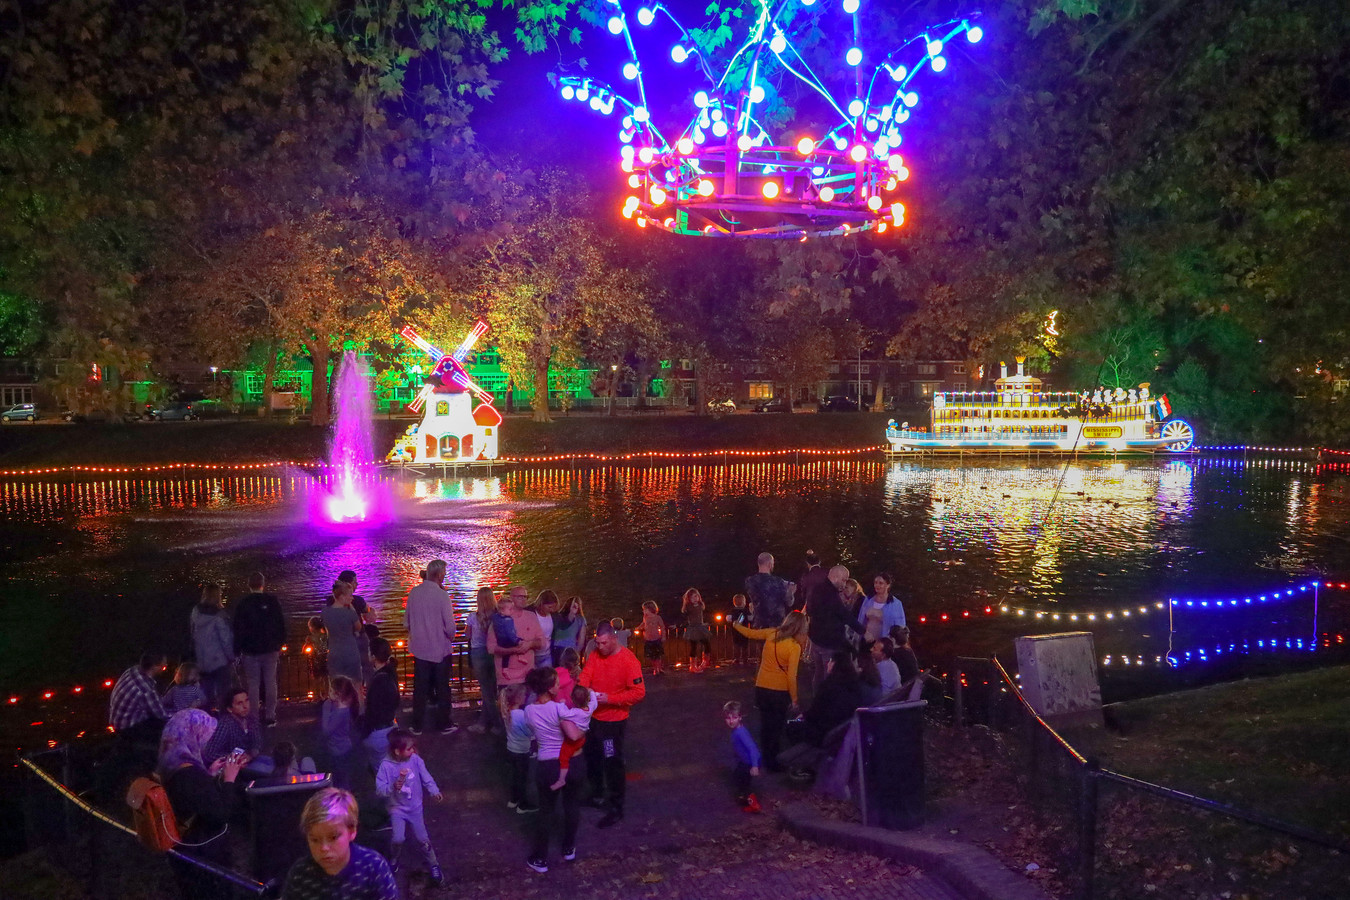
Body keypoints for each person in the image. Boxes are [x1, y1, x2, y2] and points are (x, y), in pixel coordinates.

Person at [577, 621, 646, 828]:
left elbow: (638, 692)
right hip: (594, 719)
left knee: (612, 761)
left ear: (614, 639)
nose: (599, 647)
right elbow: (586, 675)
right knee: (592, 757)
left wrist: (608, 699)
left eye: (603, 643)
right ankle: (597, 793)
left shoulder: (628, 661)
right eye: (597, 643)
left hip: (613, 722)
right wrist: (583, 689)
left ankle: (616, 806)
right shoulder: (596, 656)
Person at [523, 666, 586, 873]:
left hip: (547, 765)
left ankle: (540, 858)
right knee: (572, 806)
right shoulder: (559, 709)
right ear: (550, 688)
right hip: (572, 762)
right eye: (557, 683)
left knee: (546, 811)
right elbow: (574, 735)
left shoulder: (529, 710)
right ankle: (569, 848)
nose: (560, 685)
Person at [159, 709, 241, 868]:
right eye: (205, 738)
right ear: (193, 736)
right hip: (203, 855)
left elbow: (197, 799)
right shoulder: (190, 775)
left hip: (188, 851)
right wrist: (229, 779)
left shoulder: (173, 764)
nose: (207, 746)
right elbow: (221, 814)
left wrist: (208, 775)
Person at [283, 788, 397, 900]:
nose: (324, 848)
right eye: (315, 840)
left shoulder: (373, 867)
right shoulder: (300, 875)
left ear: (352, 831)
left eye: (333, 838)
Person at [732, 610, 808, 773]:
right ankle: (773, 762)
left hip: (762, 687)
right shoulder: (794, 647)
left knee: (766, 725)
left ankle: (765, 757)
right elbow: (791, 677)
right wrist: (794, 699)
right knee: (776, 728)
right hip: (779, 692)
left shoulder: (771, 633)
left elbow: (750, 633)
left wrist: (736, 625)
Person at [375, 729, 445, 885]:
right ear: (397, 751)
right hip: (397, 809)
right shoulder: (386, 766)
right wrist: (392, 787)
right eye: (409, 748)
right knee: (398, 838)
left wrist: (434, 790)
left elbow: (426, 776)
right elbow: (380, 789)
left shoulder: (415, 760)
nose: (412, 750)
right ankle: (395, 858)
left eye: (413, 747)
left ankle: (433, 863)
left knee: (423, 839)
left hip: (415, 808)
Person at [404, 560, 459, 735]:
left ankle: (417, 724)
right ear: (439, 574)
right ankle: (444, 723)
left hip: (420, 649)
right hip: (440, 648)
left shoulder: (414, 593)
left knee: (420, 688)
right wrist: (450, 637)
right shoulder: (442, 596)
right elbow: (450, 626)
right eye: (444, 573)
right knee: (443, 687)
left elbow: (406, 622)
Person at [232, 572, 286, 728]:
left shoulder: (243, 604)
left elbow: (238, 629)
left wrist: (238, 649)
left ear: (249, 585)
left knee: (253, 684)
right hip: (270, 648)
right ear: (263, 583)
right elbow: (280, 624)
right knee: (270, 681)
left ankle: (253, 717)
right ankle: (270, 716)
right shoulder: (272, 601)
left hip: (250, 650)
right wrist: (280, 643)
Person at [805, 565, 863, 690]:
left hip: (816, 638)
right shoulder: (830, 594)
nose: (845, 583)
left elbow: (809, 610)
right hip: (828, 642)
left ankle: (817, 700)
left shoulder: (817, 589)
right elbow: (844, 614)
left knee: (818, 674)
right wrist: (863, 630)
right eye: (844, 579)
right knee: (829, 676)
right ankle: (827, 704)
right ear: (835, 576)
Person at [489, 583, 547, 697]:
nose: (523, 599)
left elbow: (542, 642)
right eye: (520, 596)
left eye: (525, 596)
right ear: (511, 598)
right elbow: (491, 648)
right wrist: (514, 650)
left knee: (528, 711)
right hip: (507, 678)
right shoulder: (499, 620)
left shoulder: (531, 616)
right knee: (508, 711)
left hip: (529, 676)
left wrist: (530, 644)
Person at [190, 582, 234, 711]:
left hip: (201, 659)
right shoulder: (219, 615)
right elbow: (225, 639)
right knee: (224, 693)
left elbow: (192, 633)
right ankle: (224, 721)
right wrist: (231, 656)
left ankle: (206, 722)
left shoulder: (195, 612)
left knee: (205, 693)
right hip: (219, 660)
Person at [204, 687, 269, 774]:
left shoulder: (251, 719)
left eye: (247, 701)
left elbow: (257, 742)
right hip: (232, 768)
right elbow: (210, 753)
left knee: (276, 763)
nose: (245, 706)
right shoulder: (226, 724)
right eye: (239, 703)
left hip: (249, 760)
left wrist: (250, 755)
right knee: (267, 771)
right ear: (230, 709)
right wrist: (235, 758)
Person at [109, 652, 170, 743]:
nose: (165, 666)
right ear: (155, 667)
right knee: (165, 727)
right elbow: (162, 715)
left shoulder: (132, 670)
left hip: (116, 719)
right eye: (163, 666)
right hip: (127, 727)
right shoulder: (146, 689)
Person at [466, 586, 499, 734]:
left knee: (486, 691)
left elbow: (467, 635)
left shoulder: (473, 617)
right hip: (494, 653)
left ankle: (496, 724)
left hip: (478, 653)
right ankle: (484, 722)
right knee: (490, 690)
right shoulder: (498, 617)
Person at [362, 638, 400, 769]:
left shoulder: (378, 680)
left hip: (379, 732)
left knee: (380, 770)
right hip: (390, 726)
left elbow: (373, 710)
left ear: (373, 657)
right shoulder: (391, 673)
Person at [552, 683, 597, 791]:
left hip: (573, 741)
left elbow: (563, 714)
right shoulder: (590, 708)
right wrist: (591, 692)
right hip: (582, 738)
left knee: (564, 757)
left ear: (572, 700)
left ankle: (561, 779)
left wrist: (561, 704)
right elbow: (594, 701)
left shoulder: (575, 712)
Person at [499, 684, 537, 814]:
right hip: (522, 751)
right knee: (522, 778)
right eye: (523, 695)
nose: (525, 697)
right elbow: (529, 733)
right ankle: (523, 804)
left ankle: (513, 800)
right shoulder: (521, 714)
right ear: (518, 698)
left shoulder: (506, 711)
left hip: (511, 749)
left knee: (515, 776)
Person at [322, 675, 362, 789]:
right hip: (342, 747)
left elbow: (326, 731)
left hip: (338, 750)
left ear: (338, 694)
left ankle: (344, 801)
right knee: (342, 777)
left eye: (330, 690)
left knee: (341, 780)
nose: (328, 692)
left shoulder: (340, 713)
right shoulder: (343, 708)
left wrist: (325, 709)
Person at [336, 570, 374, 684]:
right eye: (355, 582)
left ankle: (346, 694)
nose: (357, 585)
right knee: (366, 666)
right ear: (349, 584)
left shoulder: (332, 601)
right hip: (358, 637)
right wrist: (370, 610)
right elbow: (370, 617)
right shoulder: (357, 600)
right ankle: (369, 691)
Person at [723, 700, 762, 813]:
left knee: (743, 782)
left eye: (734, 717)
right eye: (728, 718)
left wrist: (754, 766)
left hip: (749, 762)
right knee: (739, 777)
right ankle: (744, 796)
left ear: (740, 717)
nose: (731, 721)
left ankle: (753, 804)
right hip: (745, 761)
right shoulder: (737, 730)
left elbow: (753, 749)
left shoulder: (741, 733)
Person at [323, 580, 364, 686]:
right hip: (350, 652)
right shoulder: (350, 613)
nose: (352, 598)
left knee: (336, 686)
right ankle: (358, 703)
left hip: (334, 652)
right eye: (350, 595)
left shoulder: (325, 612)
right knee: (356, 685)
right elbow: (359, 628)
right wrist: (352, 608)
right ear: (342, 597)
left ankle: (338, 703)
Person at [745, 552, 794, 629]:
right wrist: (790, 591)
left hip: (759, 622)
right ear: (769, 564)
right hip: (776, 623)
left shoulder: (750, 581)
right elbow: (789, 602)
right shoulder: (778, 581)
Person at [854, 572, 906, 644]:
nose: (877, 585)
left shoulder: (896, 604)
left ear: (888, 585)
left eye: (880, 583)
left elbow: (900, 625)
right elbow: (861, 619)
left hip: (884, 643)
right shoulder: (868, 600)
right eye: (875, 583)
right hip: (866, 640)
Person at [681, 588, 712, 673]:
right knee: (693, 646)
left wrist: (706, 622)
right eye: (692, 597)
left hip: (700, 627)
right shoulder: (688, 607)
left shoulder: (701, 605)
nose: (695, 598)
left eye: (696, 596)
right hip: (693, 628)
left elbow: (705, 615)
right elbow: (684, 617)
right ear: (689, 599)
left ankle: (705, 662)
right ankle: (693, 666)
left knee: (707, 643)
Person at [551, 596, 587, 666]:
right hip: (570, 649)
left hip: (556, 649)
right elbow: (581, 641)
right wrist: (576, 653)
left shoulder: (558, 617)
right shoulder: (580, 620)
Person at [530, 590, 560, 669]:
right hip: (531, 654)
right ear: (541, 604)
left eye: (553, 607)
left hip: (547, 654)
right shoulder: (530, 613)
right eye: (549, 607)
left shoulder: (554, 615)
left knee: (547, 678)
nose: (551, 610)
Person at [640, 600, 666, 674]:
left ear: (650, 609)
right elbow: (643, 624)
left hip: (656, 639)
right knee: (652, 656)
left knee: (658, 655)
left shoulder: (657, 618)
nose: (644, 611)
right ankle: (655, 668)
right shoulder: (645, 618)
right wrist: (639, 628)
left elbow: (662, 627)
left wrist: (663, 636)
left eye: (645, 609)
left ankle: (659, 668)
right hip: (648, 639)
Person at [727, 594, 751, 667]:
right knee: (745, 646)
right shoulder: (746, 611)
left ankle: (736, 659)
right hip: (745, 630)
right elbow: (750, 618)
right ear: (744, 602)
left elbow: (728, 619)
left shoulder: (732, 611)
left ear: (734, 602)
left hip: (735, 631)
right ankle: (745, 659)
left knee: (736, 645)